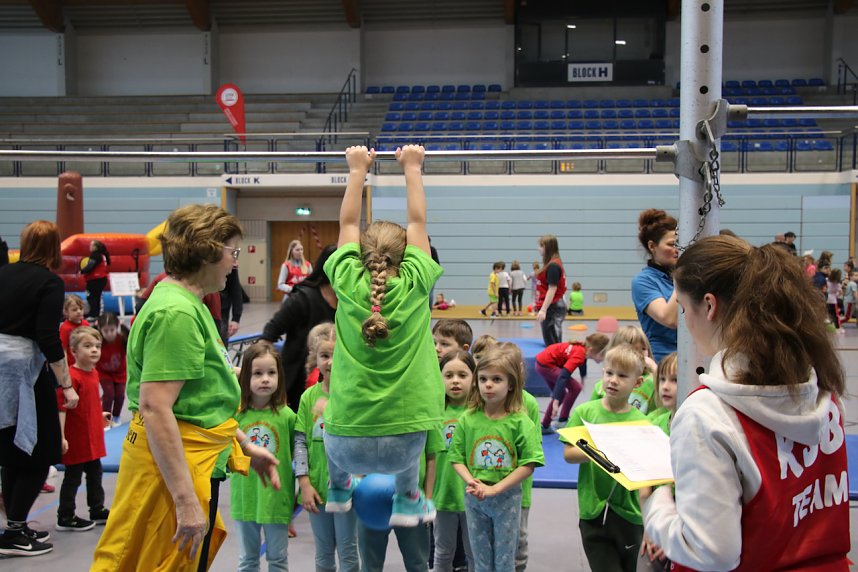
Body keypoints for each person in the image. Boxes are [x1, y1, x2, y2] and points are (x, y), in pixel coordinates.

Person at [643, 235, 849, 570]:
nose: (685, 321)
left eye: (682, 308)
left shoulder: (707, 415)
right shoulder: (822, 391)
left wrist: (657, 505)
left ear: (709, 305)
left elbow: (711, 552)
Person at [92, 204, 279, 571]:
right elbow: (157, 408)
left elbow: (198, 401)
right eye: (232, 252)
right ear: (208, 250)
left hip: (194, 460)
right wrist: (185, 500)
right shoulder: (175, 314)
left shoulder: (188, 305)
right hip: (170, 471)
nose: (235, 262)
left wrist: (243, 445)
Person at [321, 144, 443, 529]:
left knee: (325, 420)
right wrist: (412, 167)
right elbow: (418, 221)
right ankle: (408, 498)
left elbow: (347, 225)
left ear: (359, 256)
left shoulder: (345, 280)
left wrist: (357, 169)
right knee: (413, 430)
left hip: (345, 445)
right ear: (407, 255)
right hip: (403, 446)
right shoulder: (417, 282)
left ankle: (338, 489)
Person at [0, 220, 78, 557]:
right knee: (40, 449)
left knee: (10, 450)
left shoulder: (3, 273)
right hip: (23, 374)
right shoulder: (49, 282)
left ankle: (14, 527)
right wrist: (67, 384)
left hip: (3, 371)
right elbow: (47, 337)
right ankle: (15, 529)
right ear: (53, 248)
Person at [448, 346, 545, 572]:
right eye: (483, 379)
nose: (488, 385)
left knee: (504, 559)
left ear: (510, 384)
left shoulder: (520, 422)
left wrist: (496, 489)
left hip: (506, 499)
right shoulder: (468, 419)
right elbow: (456, 457)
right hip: (475, 496)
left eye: (496, 379)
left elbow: (529, 463)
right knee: (480, 558)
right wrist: (471, 480)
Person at [563, 344, 648, 572]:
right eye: (609, 373)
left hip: (629, 514)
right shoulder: (585, 413)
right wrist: (598, 449)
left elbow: (646, 473)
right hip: (593, 510)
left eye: (622, 376)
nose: (613, 380)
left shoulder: (642, 423)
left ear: (637, 383)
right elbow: (569, 455)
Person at [295, 324, 359, 572]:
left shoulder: (354, 397)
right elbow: (300, 442)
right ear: (315, 359)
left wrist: (359, 478)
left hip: (347, 490)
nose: (331, 362)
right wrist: (304, 483)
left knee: (349, 551)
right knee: (323, 553)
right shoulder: (308, 398)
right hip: (317, 488)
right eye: (324, 356)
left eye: (337, 355)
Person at [230, 343, 296, 572]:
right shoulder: (235, 418)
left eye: (271, 373)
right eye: (257, 373)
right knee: (248, 559)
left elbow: (296, 454)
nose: (265, 379)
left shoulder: (287, 417)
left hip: (276, 500)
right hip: (244, 499)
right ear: (246, 376)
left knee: (277, 559)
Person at [260, 244, 338, 411]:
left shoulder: (351, 302)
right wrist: (265, 376)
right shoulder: (302, 299)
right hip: (299, 383)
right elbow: (269, 334)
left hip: (336, 383)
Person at [56, 326, 110, 532]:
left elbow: (90, 401)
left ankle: (96, 508)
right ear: (74, 351)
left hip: (92, 436)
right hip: (77, 438)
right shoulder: (71, 377)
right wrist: (61, 436)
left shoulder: (93, 373)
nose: (95, 350)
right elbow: (62, 408)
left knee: (95, 473)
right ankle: (65, 515)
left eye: (97, 346)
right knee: (73, 477)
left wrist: (99, 415)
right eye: (88, 346)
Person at [433, 350, 476, 572]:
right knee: (442, 552)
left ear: (474, 378)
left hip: (473, 497)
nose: (455, 381)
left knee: (473, 553)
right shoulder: (435, 413)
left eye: (462, 375)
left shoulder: (478, 413)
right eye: (448, 375)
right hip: (443, 495)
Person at [638, 352, 677, 572]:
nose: (665, 387)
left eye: (674, 380)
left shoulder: (698, 426)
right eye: (662, 379)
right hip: (655, 518)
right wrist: (650, 529)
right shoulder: (653, 424)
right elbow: (645, 489)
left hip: (687, 524)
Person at [535, 332, 609, 433]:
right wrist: (556, 401)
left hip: (542, 362)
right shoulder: (579, 354)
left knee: (565, 392)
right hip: (547, 365)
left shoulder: (584, 350)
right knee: (575, 388)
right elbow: (563, 376)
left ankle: (545, 425)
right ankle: (562, 420)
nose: (604, 358)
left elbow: (583, 363)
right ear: (591, 350)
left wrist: (583, 377)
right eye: (603, 355)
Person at [631, 209, 678, 362]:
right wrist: (684, 276)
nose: (678, 250)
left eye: (681, 244)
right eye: (672, 244)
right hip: (663, 363)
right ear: (652, 246)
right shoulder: (643, 282)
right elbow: (669, 318)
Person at [589, 325, 659, 414]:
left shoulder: (652, 382)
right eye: (633, 349)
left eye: (643, 349)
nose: (639, 354)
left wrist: (655, 369)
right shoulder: (602, 386)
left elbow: (662, 409)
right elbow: (591, 412)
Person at [534, 235, 567, 346]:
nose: (539, 248)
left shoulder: (553, 265)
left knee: (553, 345)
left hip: (553, 307)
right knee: (550, 343)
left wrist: (543, 309)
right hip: (552, 306)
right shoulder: (551, 264)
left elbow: (552, 288)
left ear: (548, 247)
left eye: (541, 246)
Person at [96, 313, 127, 428]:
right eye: (105, 331)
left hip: (120, 372)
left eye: (112, 330)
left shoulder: (123, 338)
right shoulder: (97, 341)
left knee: (120, 395)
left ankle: (117, 416)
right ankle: (106, 419)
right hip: (104, 373)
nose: (109, 334)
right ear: (100, 329)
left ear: (117, 327)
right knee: (109, 394)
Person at [81, 239, 111, 320]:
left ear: (95, 247)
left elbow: (91, 265)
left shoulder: (95, 255)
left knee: (91, 296)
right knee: (97, 297)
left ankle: (93, 314)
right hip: (102, 279)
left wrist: (82, 271)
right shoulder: (103, 255)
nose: (89, 247)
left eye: (91, 245)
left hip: (95, 280)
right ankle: (97, 314)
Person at [60, 294, 89, 366]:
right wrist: (65, 367)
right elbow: (64, 349)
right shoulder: (65, 328)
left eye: (81, 308)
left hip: (85, 362)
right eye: (74, 310)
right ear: (66, 312)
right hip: (72, 364)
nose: (79, 311)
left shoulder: (86, 324)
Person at [220, 267, 244, 345]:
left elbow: (235, 289)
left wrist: (236, 318)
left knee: (221, 345)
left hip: (221, 312)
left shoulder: (229, 263)